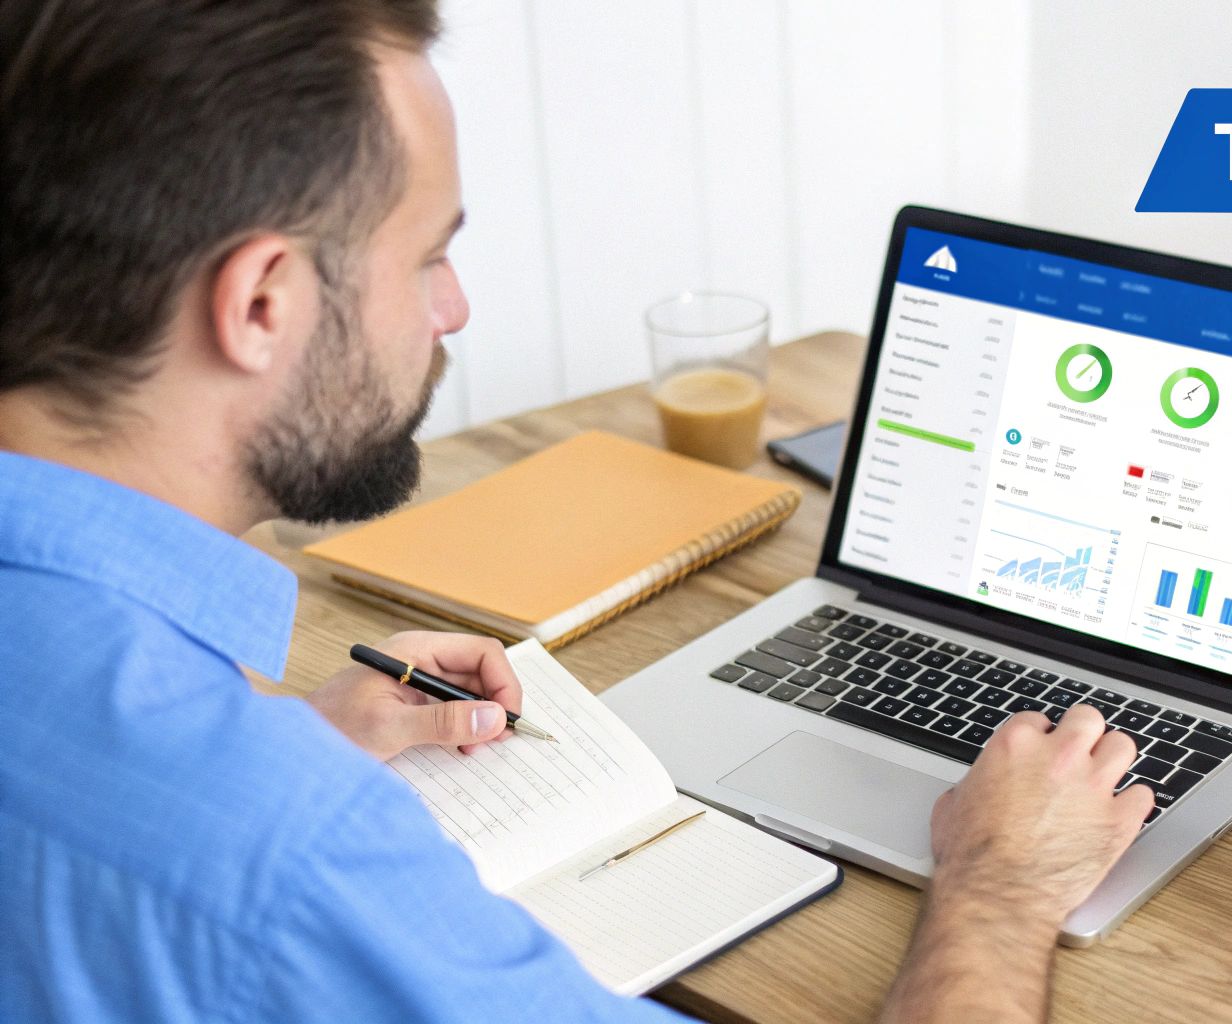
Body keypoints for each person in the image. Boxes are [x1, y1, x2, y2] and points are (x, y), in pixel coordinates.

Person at [0, 2, 1153, 1021]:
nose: (453, 308)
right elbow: (230, 866)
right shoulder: (294, 856)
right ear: (260, 302)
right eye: (427, 258)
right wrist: (999, 884)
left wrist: (291, 741)